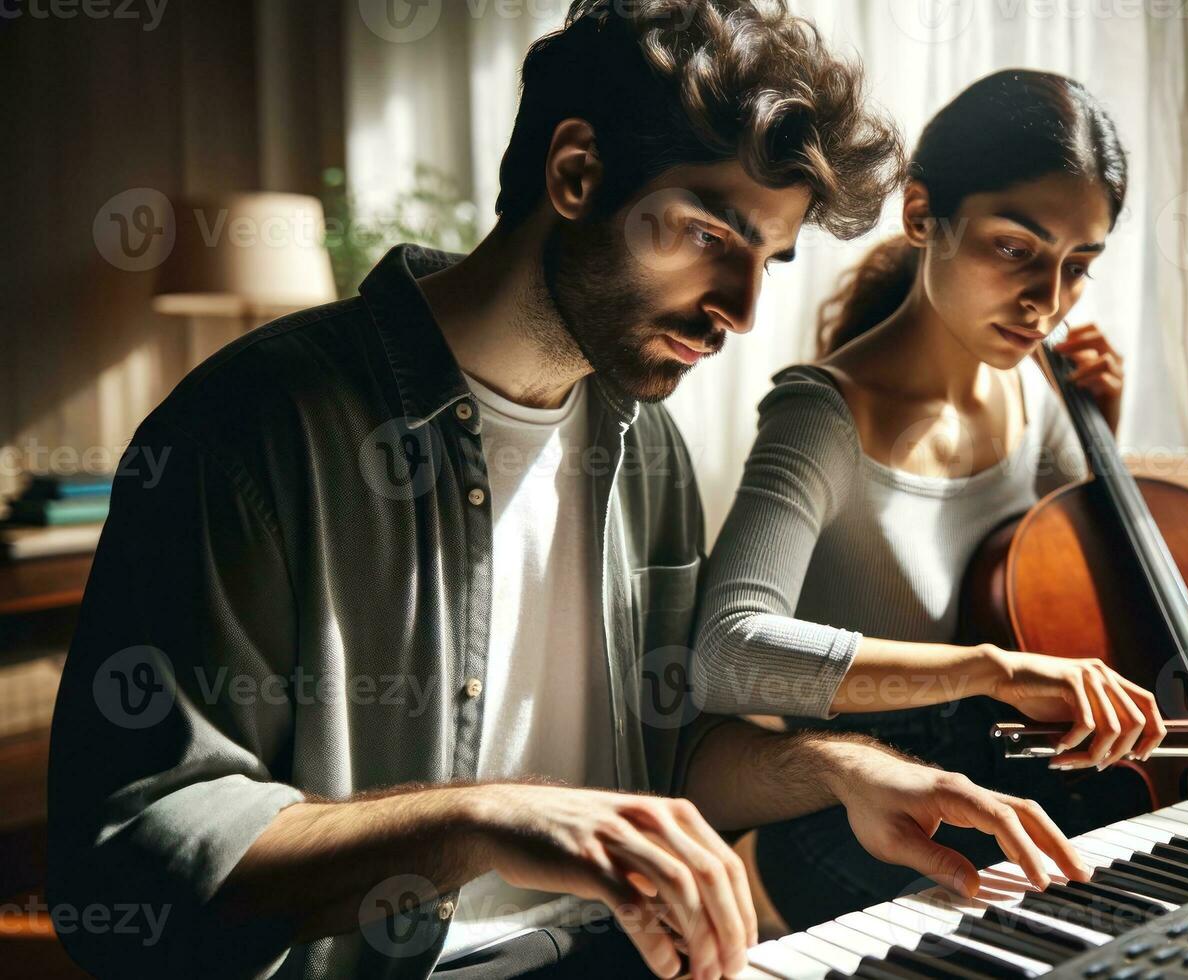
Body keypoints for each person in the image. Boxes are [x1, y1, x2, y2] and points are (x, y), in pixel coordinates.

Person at [45, 6, 1094, 979]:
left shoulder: (646, 450)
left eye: (766, 259)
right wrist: (488, 816)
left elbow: (671, 755)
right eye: (709, 235)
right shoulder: (250, 427)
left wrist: (839, 772)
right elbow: (132, 856)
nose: (737, 306)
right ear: (578, 173)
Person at [691, 68, 1167, 928]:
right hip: (859, 822)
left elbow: (1072, 600)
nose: (1047, 304)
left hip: (1005, 794)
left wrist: (1104, 442)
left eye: (1077, 267)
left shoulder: (1031, 396)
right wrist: (992, 671)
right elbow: (727, 653)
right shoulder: (819, 415)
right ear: (921, 216)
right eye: (1015, 248)